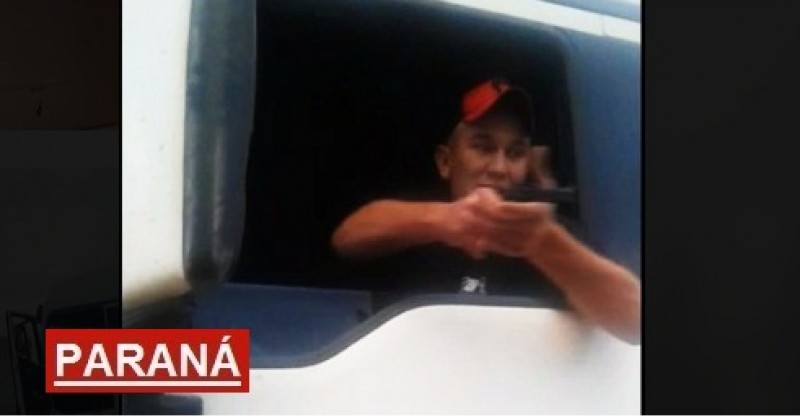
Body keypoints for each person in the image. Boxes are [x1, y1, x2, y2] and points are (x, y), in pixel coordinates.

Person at [331, 78, 640, 344]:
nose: (500, 168)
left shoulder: (553, 232)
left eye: (515, 153)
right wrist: (444, 220)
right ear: (446, 162)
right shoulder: (416, 221)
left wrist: (543, 244)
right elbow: (347, 239)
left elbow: (635, 319)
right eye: (483, 147)